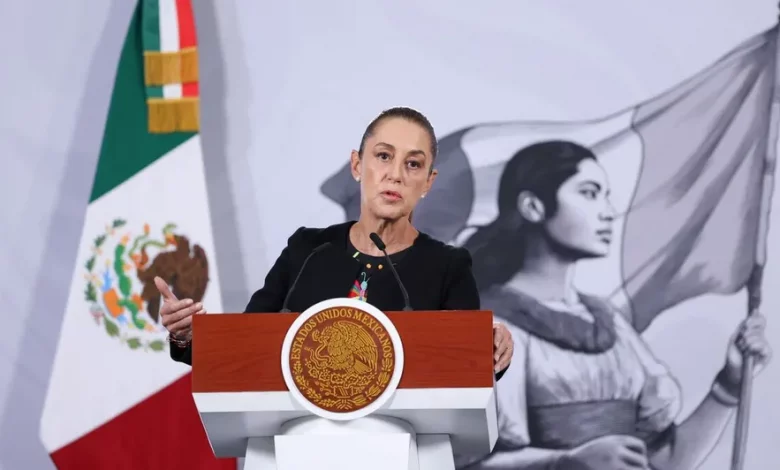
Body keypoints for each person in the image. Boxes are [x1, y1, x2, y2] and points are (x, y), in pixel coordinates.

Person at [458, 140, 772, 470]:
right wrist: (567, 462)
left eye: (606, 195)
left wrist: (729, 385)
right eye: (589, 193)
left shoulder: (609, 323)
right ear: (533, 206)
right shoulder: (476, 323)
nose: (608, 211)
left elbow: (663, 462)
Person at [155, 106, 514, 377]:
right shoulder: (308, 251)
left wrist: (493, 347)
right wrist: (187, 336)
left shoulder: (448, 266)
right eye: (383, 156)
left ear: (428, 183)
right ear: (357, 166)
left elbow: (467, 365)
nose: (395, 175)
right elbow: (246, 345)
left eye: (413, 164)